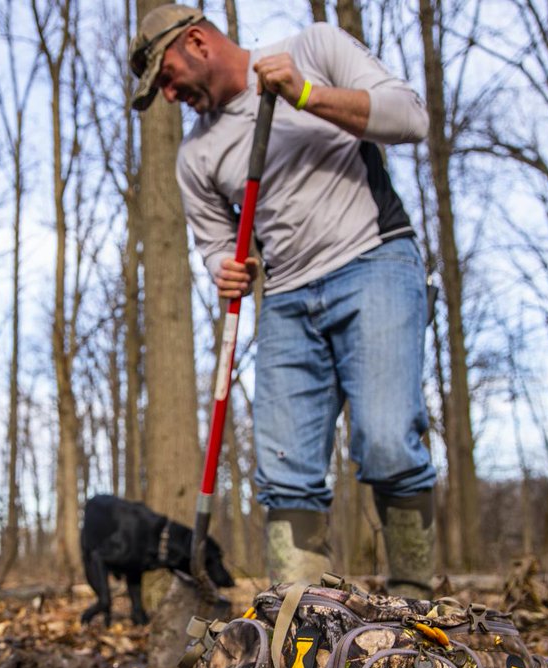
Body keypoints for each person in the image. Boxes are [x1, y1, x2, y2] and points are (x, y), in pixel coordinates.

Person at [128, 4, 438, 598]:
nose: (169, 95)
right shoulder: (196, 157)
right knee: (284, 468)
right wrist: (226, 269)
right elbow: (217, 244)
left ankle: (414, 604)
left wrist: (307, 95)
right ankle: (305, 620)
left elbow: (410, 118)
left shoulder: (315, 48)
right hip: (288, 301)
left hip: (373, 261)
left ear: (197, 42)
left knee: (387, 439)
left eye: (167, 78)